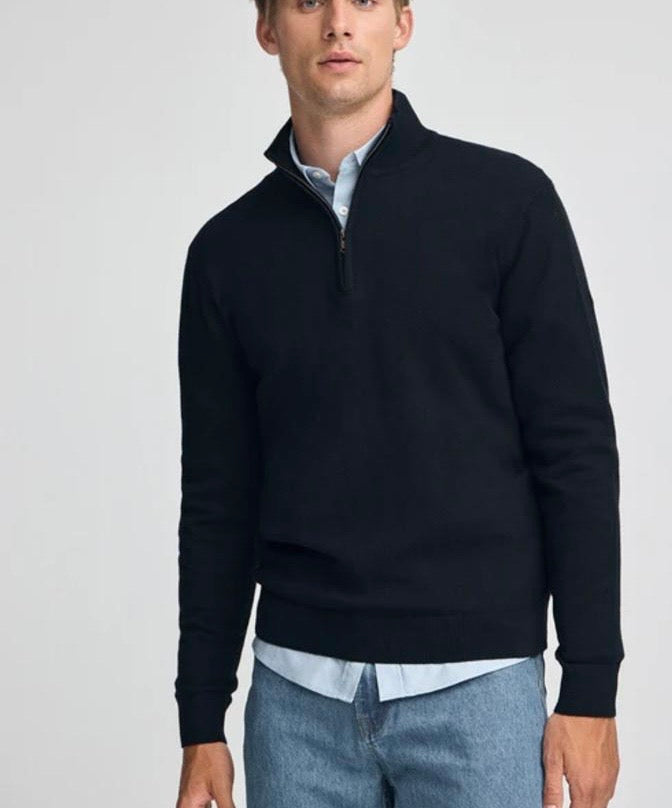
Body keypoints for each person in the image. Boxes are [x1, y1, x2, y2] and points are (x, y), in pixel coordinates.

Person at [174, 1, 624, 806]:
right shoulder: (226, 252)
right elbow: (218, 497)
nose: (338, 23)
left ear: (402, 24)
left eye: (365, 1)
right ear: (268, 30)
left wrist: (589, 687)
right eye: (307, 2)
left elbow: (575, 451)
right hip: (296, 705)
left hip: (479, 692)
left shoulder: (507, 203)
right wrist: (201, 717)